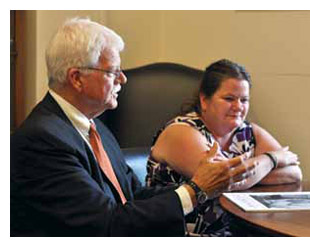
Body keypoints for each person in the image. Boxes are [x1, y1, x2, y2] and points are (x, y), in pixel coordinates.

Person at [10, 18, 257, 237]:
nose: (123, 79)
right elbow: (105, 225)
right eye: (113, 71)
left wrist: (200, 188)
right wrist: (195, 190)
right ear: (76, 78)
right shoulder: (41, 141)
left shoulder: (96, 128)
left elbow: (133, 195)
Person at [146, 59, 302, 235]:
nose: (238, 107)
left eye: (244, 100)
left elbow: (294, 173)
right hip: (183, 233)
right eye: (229, 98)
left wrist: (247, 175)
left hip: (236, 230)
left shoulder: (248, 132)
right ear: (204, 100)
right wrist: (271, 159)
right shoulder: (180, 132)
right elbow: (225, 179)